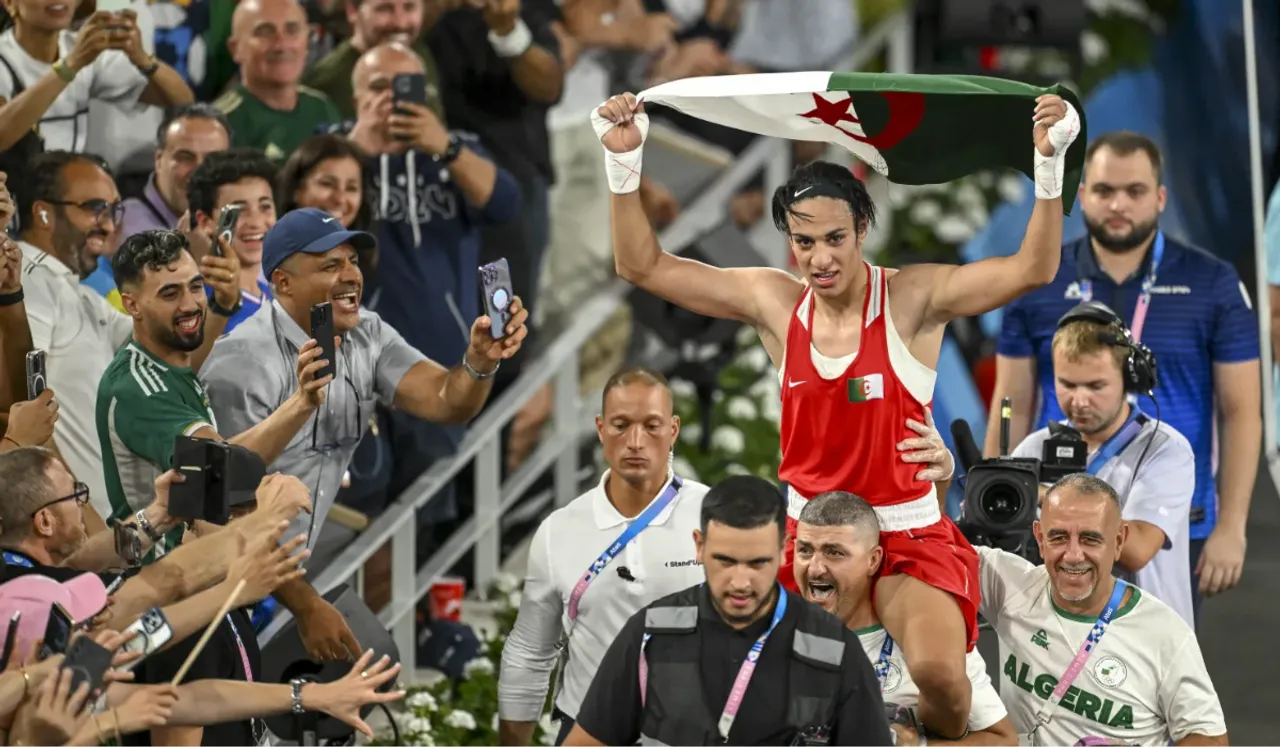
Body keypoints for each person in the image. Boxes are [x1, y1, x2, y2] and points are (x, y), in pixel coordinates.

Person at [593, 89, 1081, 739]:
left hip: (906, 538)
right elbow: (641, 264)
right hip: (811, 541)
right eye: (802, 242)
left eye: (833, 239)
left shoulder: (911, 297)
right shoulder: (774, 302)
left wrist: (1048, 171)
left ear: (861, 231)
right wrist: (623, 164)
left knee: (941, 677)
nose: (819, 258)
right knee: (753, 703)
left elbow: (1032, 268)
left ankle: (909, 737)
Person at [198, 207, 529, 658]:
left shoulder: (366, 332)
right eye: (329, 265)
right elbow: (229, 506)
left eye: (352, 261)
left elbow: (446, 400)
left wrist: (481, 361)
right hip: (213, 575)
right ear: (282, 283)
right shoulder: (241, 364)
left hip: (278, 570)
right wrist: (306, 605)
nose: (350, 275)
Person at [987, 132, 1261, 619]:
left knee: (1153, 658)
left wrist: (1232, 527)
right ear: (1082, 194)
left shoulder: (1212, 282)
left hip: (1175, 517)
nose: (1118, 204)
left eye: (1134, 191)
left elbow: (1240, 411)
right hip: (1055, 516)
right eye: (1103, 190)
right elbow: (1011, 397)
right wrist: (995, 506)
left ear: (1159, 197)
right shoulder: (1038, 280)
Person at [562, 474, 890, 746]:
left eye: (757, 563)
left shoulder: (835, 649)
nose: (740, 582)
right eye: (725, 560)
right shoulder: (651, 632)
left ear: (782, 550)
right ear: (700, 546)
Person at [977, 473, 1227, 745]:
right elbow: (932, 548)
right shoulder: (1009, 585)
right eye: (1058, 537)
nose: (1073, 555)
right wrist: (944, 467)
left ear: (1119, 541)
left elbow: (1210, 738)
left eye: (1090, 539)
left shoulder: (1165, 633)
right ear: (1039, 538)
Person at [1009, 302, 1195, 625]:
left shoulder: (1167, 451)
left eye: (1095, 386)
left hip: (1148, 643)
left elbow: (1135, 550)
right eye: (1067, 384)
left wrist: (1034, 492)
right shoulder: (1035, 448)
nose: (1078, 401)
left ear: (1129, 380)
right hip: (1058, 639)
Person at [793, 491, 1016, 746]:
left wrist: (916, 746)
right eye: (805, 551)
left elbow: (1004, 740)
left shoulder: (928, 641)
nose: (816, 567)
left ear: (873, 560)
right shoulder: (777, 639)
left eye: (834, 552)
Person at [0, 1, 193, 153]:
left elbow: (182, 101)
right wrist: (70, 66)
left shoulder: (81, 48)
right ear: (9, 3)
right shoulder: (6, 59)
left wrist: (143, 59)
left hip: (66, 192)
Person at [214, 0, 342, 161]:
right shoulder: (221, 124)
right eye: (265, 32)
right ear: (235, 48)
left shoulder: (322, 108)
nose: (281, 45)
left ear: (307, 42)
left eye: (292, 30)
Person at [185, 147, 280, 331]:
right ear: (205, 222)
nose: (256, 222)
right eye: (239, 210)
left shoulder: (279, 296)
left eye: (265, 206)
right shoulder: (196, 303)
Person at [304, 0, 446, 121]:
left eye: (409, 7)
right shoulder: (325, 84)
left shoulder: (419, 52)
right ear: (352, 11)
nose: (400, 23)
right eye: (384, 9)